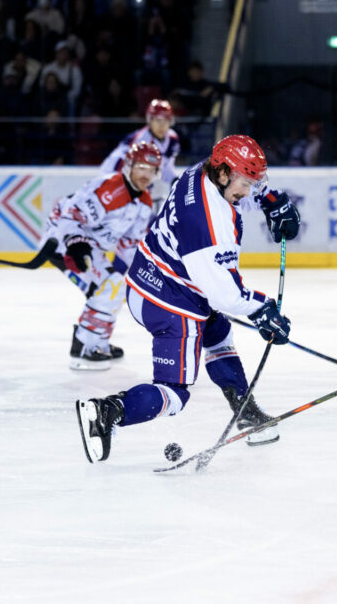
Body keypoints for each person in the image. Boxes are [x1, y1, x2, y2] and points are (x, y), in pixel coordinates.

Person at [75, 135, 302, 463]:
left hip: (151, 276)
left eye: (254, 183)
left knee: (217, 332)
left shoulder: (203, 171)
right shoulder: (208, 224)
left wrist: (271, 199)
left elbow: (240, 187)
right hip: (168, 301)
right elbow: (223, 292)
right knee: (174, 394)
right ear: (223, 174)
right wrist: (262, 310)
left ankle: (246, 412)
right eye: (245, 183)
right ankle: (106, 412)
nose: (248, 191)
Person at [44, 140, 162, 370]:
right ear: (128, 166)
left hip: (90, 246)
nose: (145, 174)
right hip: (62, 242)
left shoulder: (144, 202)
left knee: (117, 286)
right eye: (140, 167)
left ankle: (98, 342)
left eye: (151, 169)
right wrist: (74, 242)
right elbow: (70, 213)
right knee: (109, 286)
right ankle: (83, 348)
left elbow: (129, 246)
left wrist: (146, 275)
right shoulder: (112, 188)